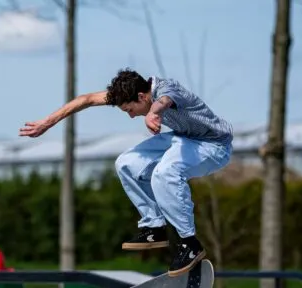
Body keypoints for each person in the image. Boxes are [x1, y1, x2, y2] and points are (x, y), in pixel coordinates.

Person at [19, 69, 233, 276]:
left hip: (213, 145)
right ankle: (154, 226)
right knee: (126, 163)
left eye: (130, 110)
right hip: (183, 138)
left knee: (164, 173)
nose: (131, 116)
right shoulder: (129, 92)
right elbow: (87, 99)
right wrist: (47, 123)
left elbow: (165, 101)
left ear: (141, 96)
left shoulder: (168, 89)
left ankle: (189, 243)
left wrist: (154, 112)